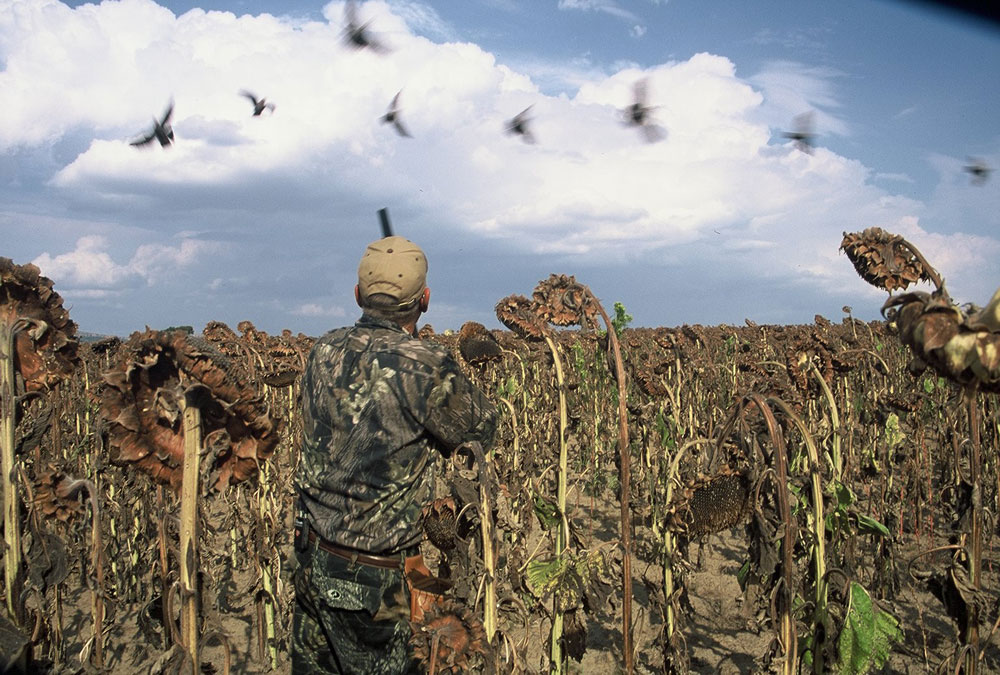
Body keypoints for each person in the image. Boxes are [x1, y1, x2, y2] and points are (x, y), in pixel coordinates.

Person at [292, 235, 498, 674]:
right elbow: (481, 431)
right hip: (376, 583)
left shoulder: (323, 351)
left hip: (313, 559)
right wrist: (430, 361)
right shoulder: (425, 364)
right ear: (424, 300)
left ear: (357, 295)